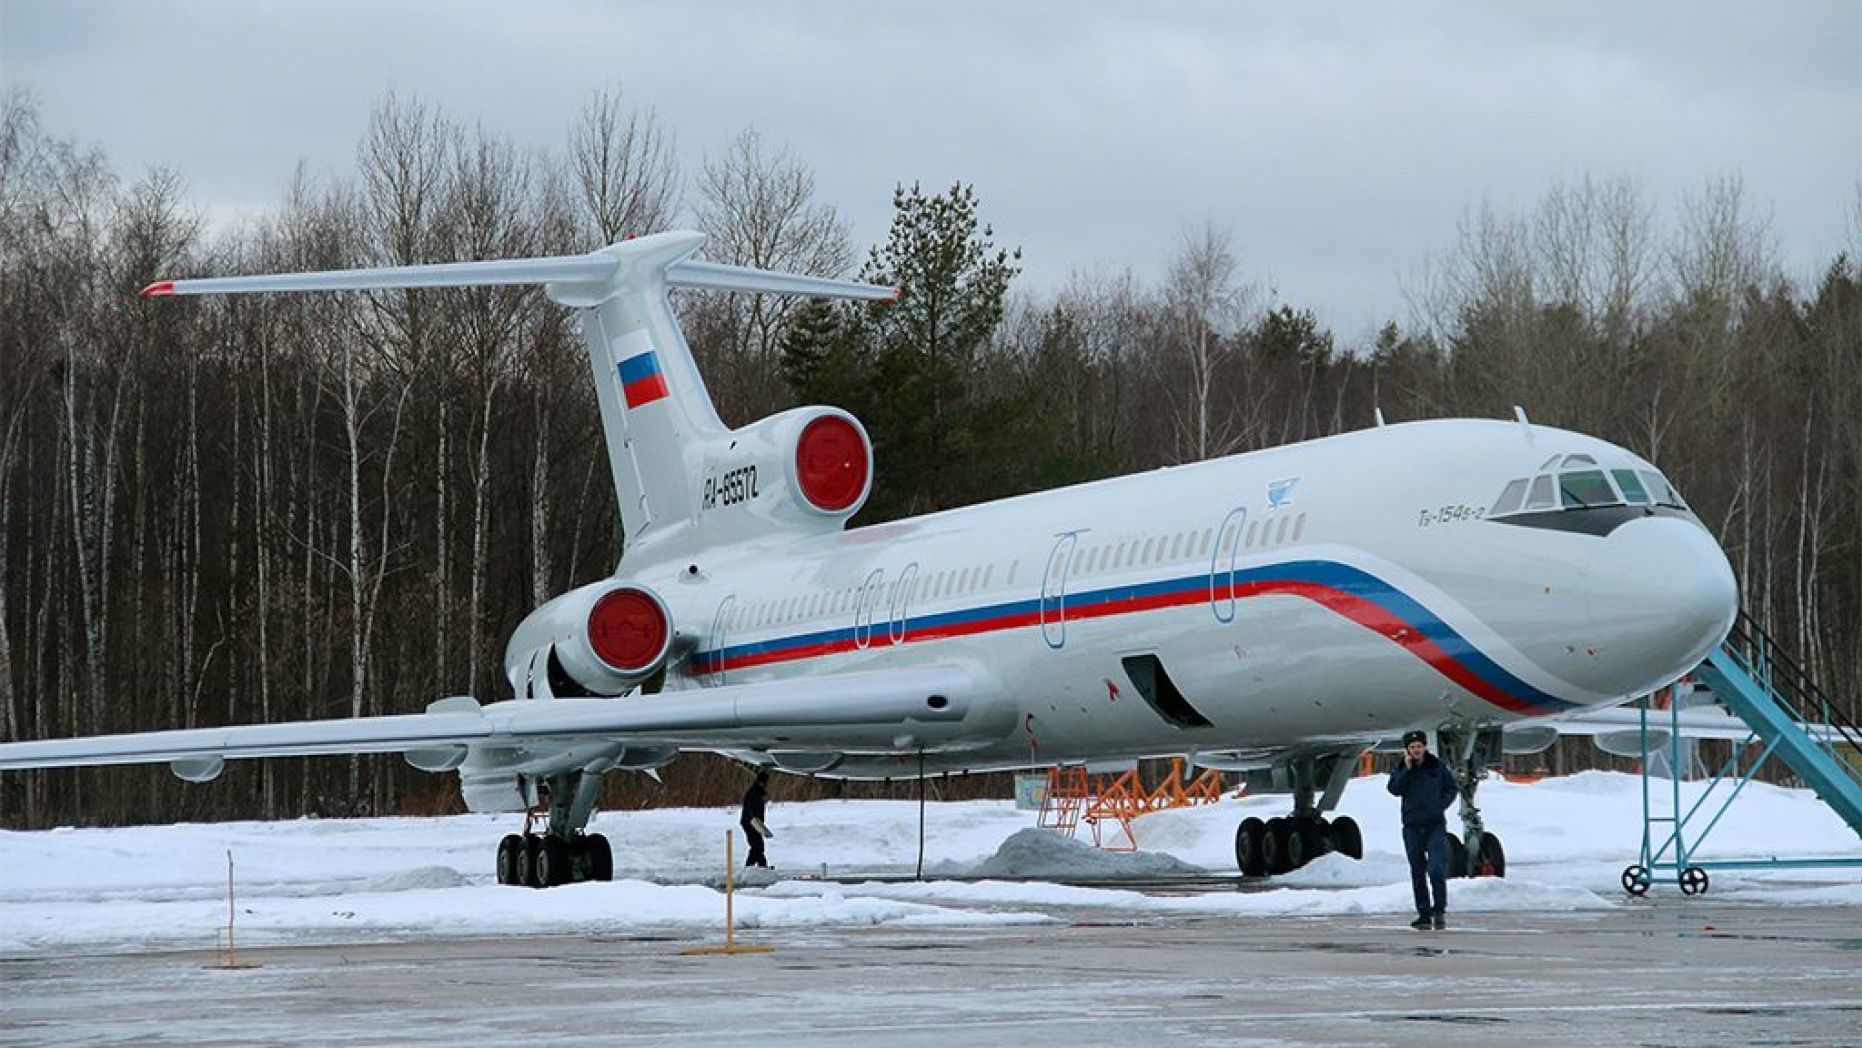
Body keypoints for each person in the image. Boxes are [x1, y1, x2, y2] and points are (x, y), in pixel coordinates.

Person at [1386, 729, 1458, 929]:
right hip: (1412, 826)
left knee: (1435, 868)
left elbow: (1451, 788)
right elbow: (1394, 789)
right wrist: (1406, 770)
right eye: (1412, 747)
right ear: (1407, 750)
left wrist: (1440, 805)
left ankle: (1439, 909)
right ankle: (1424, 914)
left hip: (1434, 824)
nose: (1416, 750)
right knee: (1417, 871)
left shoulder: (1437, 766)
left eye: (1419, 746)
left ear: (1425, 747)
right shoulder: (1402, 767)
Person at [740, 769, 773, 869]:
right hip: (751, 823)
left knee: (757, 846)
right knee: (757, 846)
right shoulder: (754, 793)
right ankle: (761, 867)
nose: (766, 785)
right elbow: (751, 809)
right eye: (765, 782)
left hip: (754, 822)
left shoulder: (757, 792)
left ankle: (751, 867)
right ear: (761, 782)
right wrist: (756, 821)